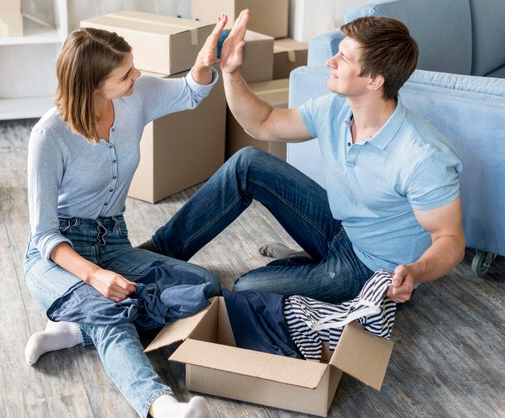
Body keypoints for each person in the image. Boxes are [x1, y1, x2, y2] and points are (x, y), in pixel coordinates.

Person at [140, 10, 466, 305]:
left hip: (372, 267)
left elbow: (449, 240)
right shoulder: (335, 109)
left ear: (374, 80)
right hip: (340, 229)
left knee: (246, 288)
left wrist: (413, 272)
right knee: (248, 163)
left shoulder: (423, 156)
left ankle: (311, 267)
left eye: (344, 58)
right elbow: (264, 122)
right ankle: (159, 253)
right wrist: (231, 72)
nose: (330, 62)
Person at [23, 17, 229, 418]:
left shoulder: (136, 95)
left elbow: (190, 92)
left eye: (133, 66)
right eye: (125, 73)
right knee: (108, 312)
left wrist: (204, 61)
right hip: (58, 257)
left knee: (205, 286)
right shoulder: (49, 136)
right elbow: (45, 236)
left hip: (113, 242)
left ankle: (73, 329)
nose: (137, 75)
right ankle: (160, 405)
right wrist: (95, 276)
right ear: (92, 84)